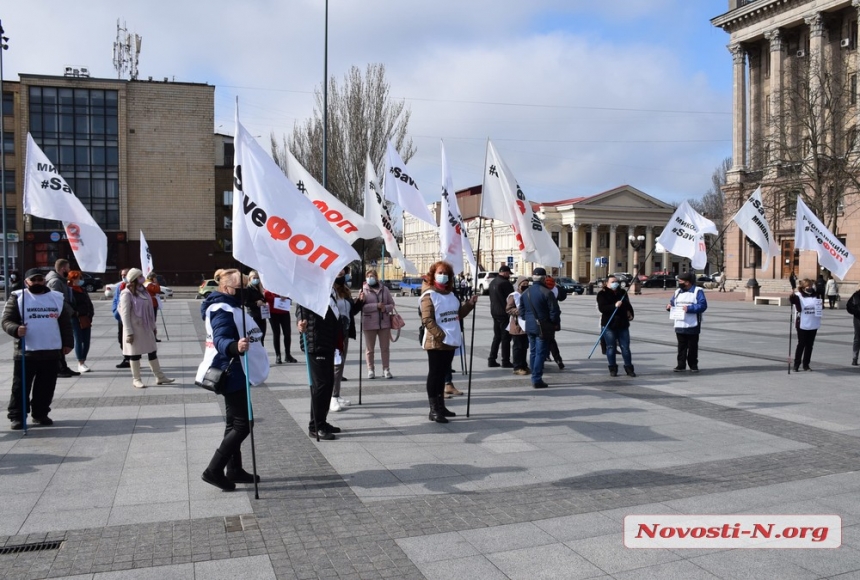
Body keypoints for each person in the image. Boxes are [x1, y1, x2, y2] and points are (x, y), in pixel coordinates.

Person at [198, 269, 269, 491]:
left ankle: (234, 469)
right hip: (231, 372)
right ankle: (213, 470)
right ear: (227, 288)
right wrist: (234, 347)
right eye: (241, 289)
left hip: (238, 370)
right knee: (244, 423)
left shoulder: (232, 305)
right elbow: (220, 337)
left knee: (233, 424)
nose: (245, 293)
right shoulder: (222, 308)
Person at [4, 269, 74, 430]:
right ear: (26, 282)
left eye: (40, 280)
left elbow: (65, 323)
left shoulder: (56, 298)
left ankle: (40, 414)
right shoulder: (18, 297)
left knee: (46, 386)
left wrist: (68, 343)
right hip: (26, 352)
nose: (37, 283)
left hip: (51, 350)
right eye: (33, 280)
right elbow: (7, 320)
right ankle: (18, 416)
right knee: (20, 386)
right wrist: (15, 329)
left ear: (44, 281)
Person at [420, 261, 478, 422]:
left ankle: (441, 405)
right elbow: (427, 319)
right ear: (433, 275)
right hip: (436, 341)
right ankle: (434, 410)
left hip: (451, 341)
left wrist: (470, 304)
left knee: (443, 374)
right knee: (435, 374)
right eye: (440, 272)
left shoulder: (452, 295)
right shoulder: (429, 295)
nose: (443, 275)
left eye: (446, 273)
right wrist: (441, 335)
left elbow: (458, 314)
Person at [296, 285, 342, 440]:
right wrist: (300, 323)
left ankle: (322, 421)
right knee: (321, 386)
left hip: (328, 343)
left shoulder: (328, 290)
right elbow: (300, 312)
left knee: (328, 384)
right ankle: (315, 426)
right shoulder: (307, 290)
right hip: (315, 344)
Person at [119, 268, 175, 388]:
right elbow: (124, 314)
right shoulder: (126, 293)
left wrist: (153, 327)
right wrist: (129, 332)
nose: (142, 278)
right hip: (134, 328)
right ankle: (136, 379)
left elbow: (150, 310)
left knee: (152, 351)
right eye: (139, 276)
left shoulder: (143, 291)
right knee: (134, 354)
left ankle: (159, 377)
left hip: (146, 327)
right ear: (134, 279)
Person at [518, 267, 560, 389]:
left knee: (533, 351)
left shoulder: (526, 292)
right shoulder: (547, 292)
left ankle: (534, 375)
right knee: (541, 353)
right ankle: (536, 378)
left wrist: (529, 319)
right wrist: (553, 323)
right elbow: (554, 311)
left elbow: (521, 311)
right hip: (543, 326)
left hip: (530, 326)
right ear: (544, 278)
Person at [331, 268, 364, 413]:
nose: (342, 277)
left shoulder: (346, 290)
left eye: (343, 274)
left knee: (341, 364)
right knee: (335, 365)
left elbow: (351, 311)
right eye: (339, 274)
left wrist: (360, 302)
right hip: (333, 333)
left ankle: (336, 394)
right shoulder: (329, 291)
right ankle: (332, 397)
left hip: (344, 331)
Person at [666, 271, 708, 373]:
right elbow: (672, 303)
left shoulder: (698, 291)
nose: (678, 282)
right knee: (681, 346)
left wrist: (689, 308)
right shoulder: (677, 292)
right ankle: (681, 365)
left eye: (680, 281)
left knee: (692, 346)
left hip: (692, 323)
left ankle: (693, 365)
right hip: (679, 323)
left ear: (687, 282)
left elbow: (703, 305)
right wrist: (669, 307)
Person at [46, 258, 80, 377]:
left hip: (62, 315)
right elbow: (57, 300)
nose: (69, 270)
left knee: (62, 342)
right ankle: (59, 368)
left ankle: (63, 366)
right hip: (58, 316)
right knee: (59, 342)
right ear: (63, 269)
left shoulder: (61, 280)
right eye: (68, 267)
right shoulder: (55, 282)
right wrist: (71, 311)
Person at [597, 275, 636, 377]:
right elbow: (602, 308)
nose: (616, 283)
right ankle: (613, 368)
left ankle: (629, 368)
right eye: (613, 281)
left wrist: (630, 313)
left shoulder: (622, 292)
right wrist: (614, 306)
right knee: (611, 347)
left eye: (617, 281)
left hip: (622, 324)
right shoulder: (602, 294)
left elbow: (628, 305)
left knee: (625, 348)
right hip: (609, 324)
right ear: (607, 283)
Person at [361, 269, 396, 379]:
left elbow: (392, 304)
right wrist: (376, 306)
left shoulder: (384, 289)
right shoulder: (363, 290)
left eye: (372, 276)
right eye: (368, 276)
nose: (370, 278)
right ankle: (370, 369)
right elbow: (362, 307)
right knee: (370, 349)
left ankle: (386, 369)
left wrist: (385, 307)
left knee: (385, 348)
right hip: (369, 323)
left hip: (384, 323)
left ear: (376, 277)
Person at [790, 278, 822, 372]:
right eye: (808, 286)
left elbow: (820, 306)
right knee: (801, 344)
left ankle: (806, 364)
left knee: (809, 345)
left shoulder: (816, 295)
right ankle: (796, 364)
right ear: (803, 287)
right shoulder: (799, 295)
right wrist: (792, 296)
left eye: (811, 286)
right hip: (802, 323)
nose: (810, 288)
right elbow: (794, 302)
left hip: (813, 322)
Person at [67, 270, 94, 373]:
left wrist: (90, 314)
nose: (80, 280)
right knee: (79, 339)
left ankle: (84, 360)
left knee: (86, 340)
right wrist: (76, 313)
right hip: (76, 318)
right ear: (72, 279)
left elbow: (88, 302)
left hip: (86, 317)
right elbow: (69, 305)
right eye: (77, 278)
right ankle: (80, 362)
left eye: (80, 278)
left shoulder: (82, 290)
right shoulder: (69, 291)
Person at [487, 265, 515, 368]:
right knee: (506, 338)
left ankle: (491, 359)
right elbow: (511, 299)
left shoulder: (493, 282)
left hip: (494, 312)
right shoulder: (505, 283)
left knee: (497, 337)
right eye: (509, 274)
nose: (509, 276)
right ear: (506, 273)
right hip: (504, 313)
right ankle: (505, 361)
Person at [264, 289, 296, 364]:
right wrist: (278, 297)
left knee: (287, 333)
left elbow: (291, 295)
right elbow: (266, 296)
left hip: (284, 311)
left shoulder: (283, 284)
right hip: (273, 313)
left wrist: (286, 296)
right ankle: (278, 355)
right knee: (276, 334)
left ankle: (288, 354)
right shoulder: (269, 286)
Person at [506, 278, 531, 376]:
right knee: (518, 346)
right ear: (519, 285)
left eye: (527, 284)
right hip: (517, 324)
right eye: (523, 284)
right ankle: (517, 367)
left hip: (526, 324)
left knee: (524, 346)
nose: (525, 285)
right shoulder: (514, 295)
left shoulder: (527, 294)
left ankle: (524, 365)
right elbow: (508, 309)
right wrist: (520, 311)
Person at [544, 276, 566, 370]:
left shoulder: (542, 290)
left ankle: (546, 356)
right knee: (551, 339)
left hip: (542, 318)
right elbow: (562, 297)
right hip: (553, 318)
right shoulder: (555, 289)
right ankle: (557, 359)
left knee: (542, 339)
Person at [243, 270, 267, 348]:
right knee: (256, 336)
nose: (256, 279)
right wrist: (256, 303)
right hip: (253, 315)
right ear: (250, 278)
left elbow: (263, 299)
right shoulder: (248, 289)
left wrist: (263, 302)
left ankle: (261, 351)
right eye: (254, 278)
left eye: (257, 278)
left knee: (262, 335)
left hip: (262, 314)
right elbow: (246, 303)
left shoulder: (259, 288)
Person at [112, 268, 131, 368]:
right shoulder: (120, 286)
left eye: (126, 274)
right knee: (121, 338)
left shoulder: (133, 286)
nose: (124, 276)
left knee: (130, 337)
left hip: (130, 317)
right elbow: (115, 300)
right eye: (122, 275)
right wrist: (115, 312)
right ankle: (127, 357)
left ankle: (131, 358)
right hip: (121, 317)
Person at [144, 272, 162, 342]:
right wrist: (156, 283)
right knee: (152, 321)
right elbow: (157, 290)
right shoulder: (149, 284)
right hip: (152, 303)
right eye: (155, 278)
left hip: (150, 303)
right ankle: (152, 337)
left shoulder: (146, 283)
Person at [848, 288, 860, 365]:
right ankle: (855, 358)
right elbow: (849, 306)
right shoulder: (856, 295)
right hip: (858, 319)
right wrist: (857, 312)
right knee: (857, 338)